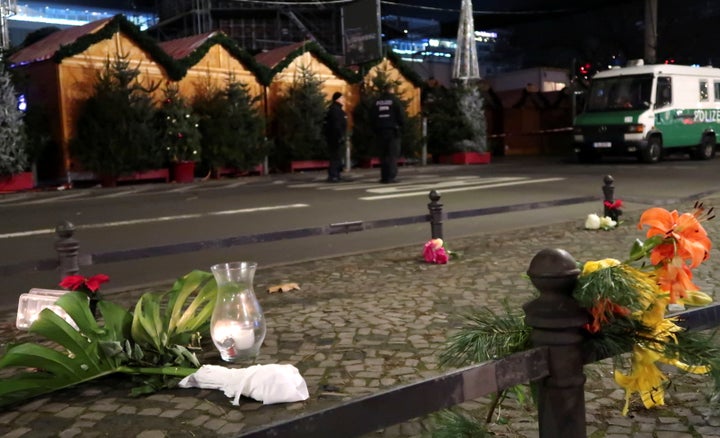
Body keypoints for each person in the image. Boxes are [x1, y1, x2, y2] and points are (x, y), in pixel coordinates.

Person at [372, 84, 405, 183]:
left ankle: (384, 176)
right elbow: (401, 116)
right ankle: (391, 176)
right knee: (392, 154)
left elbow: (372, 116)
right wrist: (402, 126)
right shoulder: (394, 101)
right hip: (392, 131)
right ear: (391, 90)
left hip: (380, 132)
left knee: (383, 155)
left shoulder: (377, 101)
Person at [324, 92, 347, 183]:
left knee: (336, 156)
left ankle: (336, 174)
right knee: (335, 156)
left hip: (334, 136)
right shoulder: (335, 110)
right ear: (337, 99)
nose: (343, 100)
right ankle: (333, 175)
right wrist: (340, 136)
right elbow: (336, 125)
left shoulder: (336, 109)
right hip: (335, 137)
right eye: (342, 98)